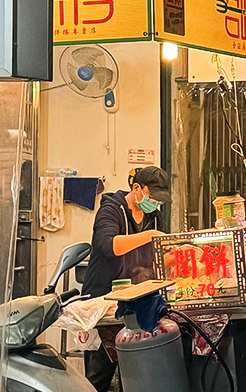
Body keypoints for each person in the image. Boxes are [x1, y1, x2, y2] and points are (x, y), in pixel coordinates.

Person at [81, 166, 171, 392]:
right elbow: (109, 245)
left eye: (159, 200)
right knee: (98, 377)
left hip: (136, 303)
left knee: (133, 376)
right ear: (136, 188)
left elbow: (159, 254)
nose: (155, 204)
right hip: (104, 301)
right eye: (151, 197)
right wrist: (149, 236)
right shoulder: (111, 209)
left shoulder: (154, 216)